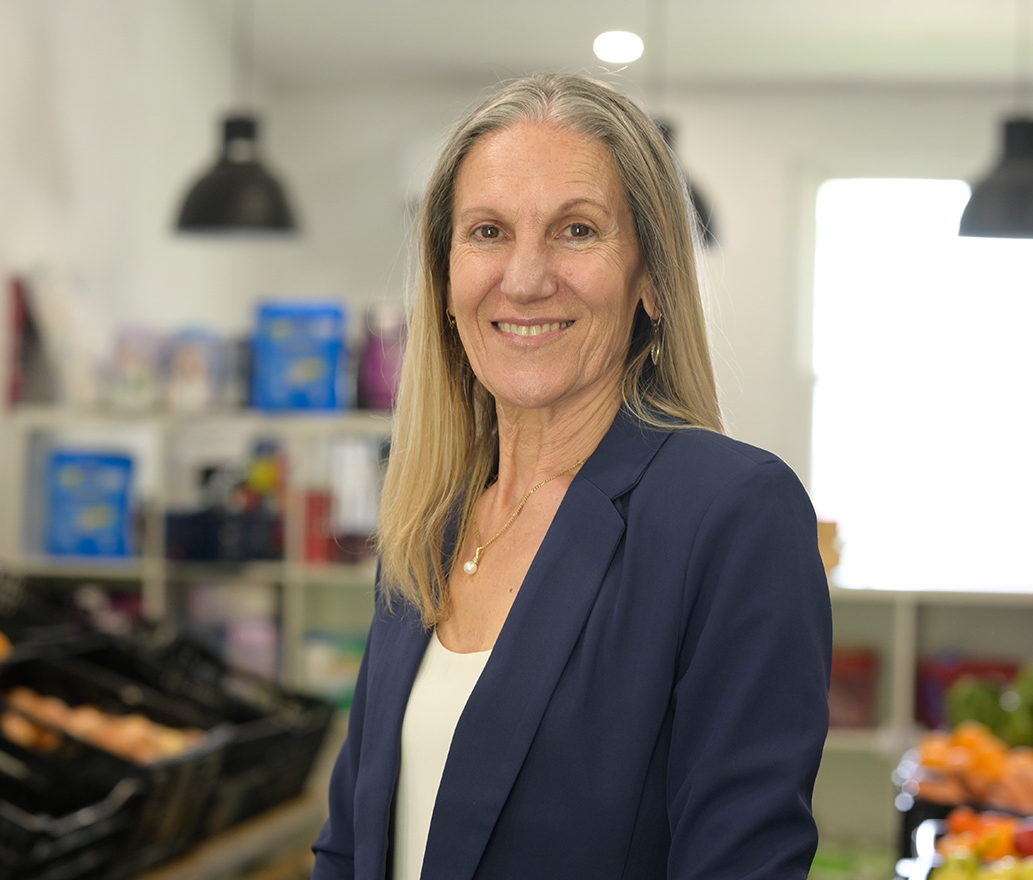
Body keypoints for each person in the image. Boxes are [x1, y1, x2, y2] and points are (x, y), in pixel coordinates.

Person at [311, 73, 832, 880]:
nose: (524, 278)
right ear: (445, 282)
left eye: (577, 230)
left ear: (652, 279)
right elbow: (348, 846)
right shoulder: (426, 526)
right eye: (487, 232)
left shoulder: (730, 515)